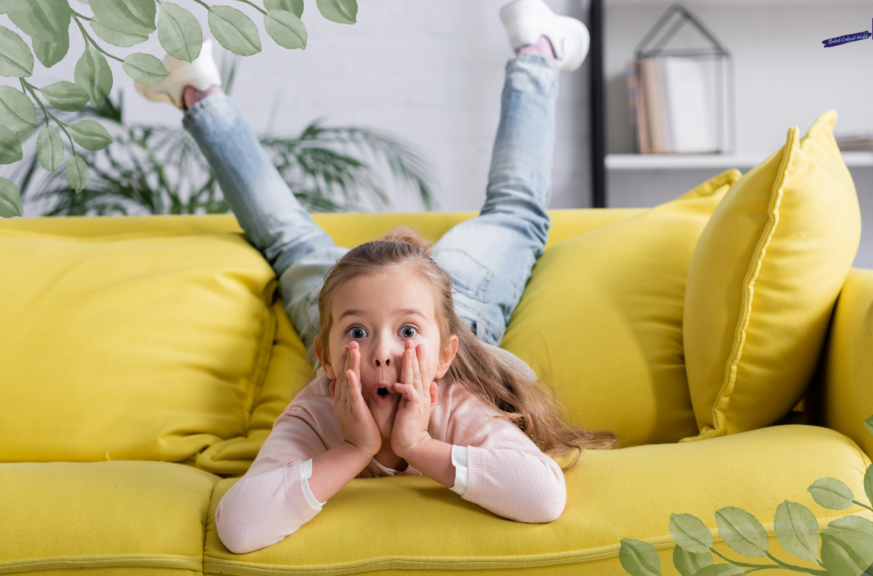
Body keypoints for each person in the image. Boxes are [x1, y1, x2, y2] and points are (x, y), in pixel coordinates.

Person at [138, 0, 614, 555]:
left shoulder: (452, 398)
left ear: (443, 355)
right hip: (383, 292)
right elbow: (240, 528)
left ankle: (537, 51)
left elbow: (544, 497)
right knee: (501, 215)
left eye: (408, 334)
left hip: (464, 297)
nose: (383, 352)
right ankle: (198, 92)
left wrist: (417, 444)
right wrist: (356, 448)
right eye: (357, 333)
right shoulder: (320, 408)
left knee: (513, 214)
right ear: (326, 352)